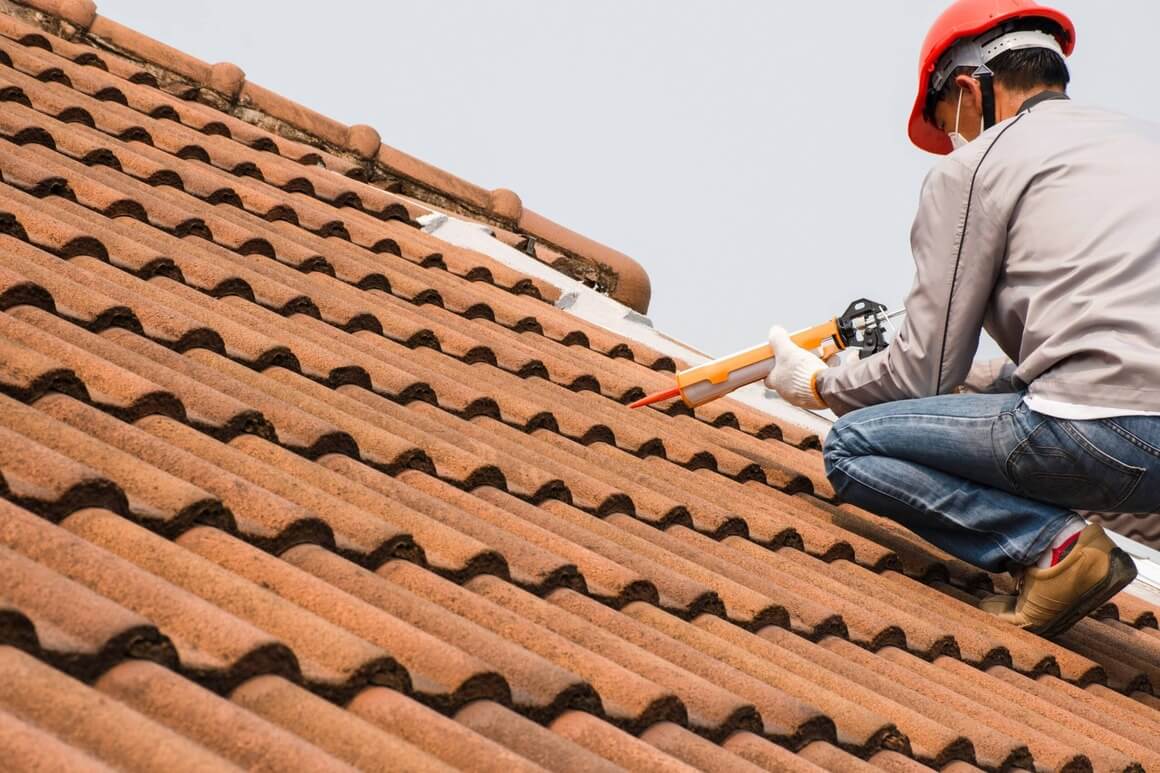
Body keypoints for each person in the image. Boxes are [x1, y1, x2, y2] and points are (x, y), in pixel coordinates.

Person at [764, 0, 1158, 638]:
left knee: (856, 444)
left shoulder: (977, 165)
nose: (954, 142)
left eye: (951, 123)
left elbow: (923, 369)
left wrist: (820, 385)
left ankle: (1053, 550)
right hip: (1133, 435)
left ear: (971, 91)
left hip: (1101, 428)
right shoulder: (1142, 140)